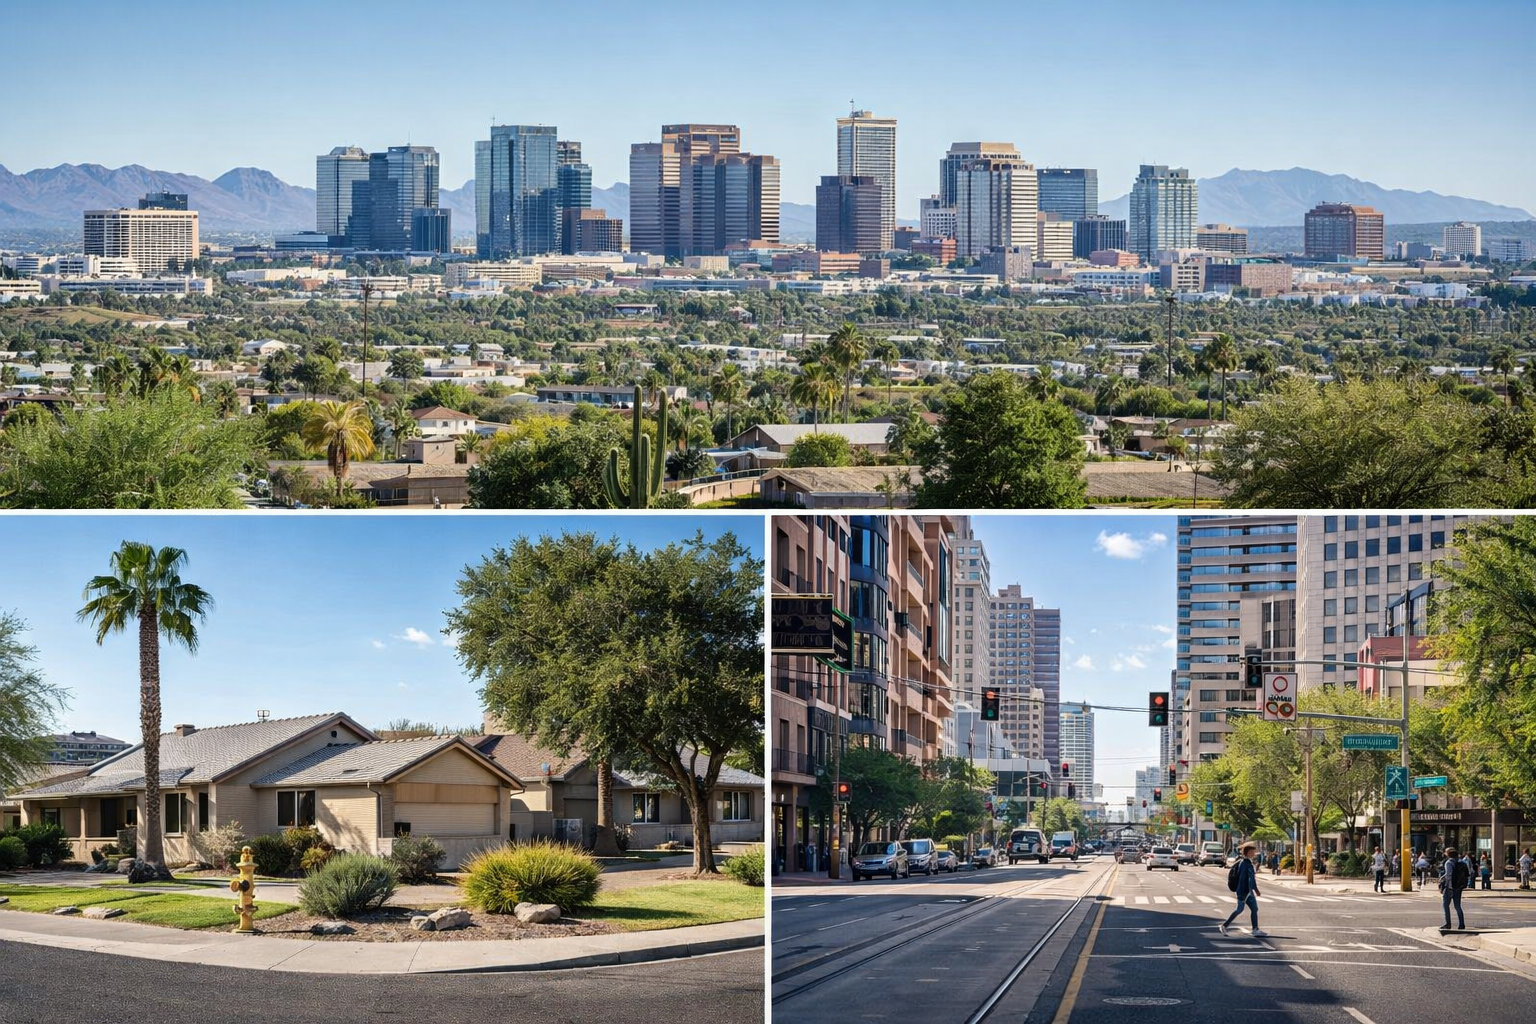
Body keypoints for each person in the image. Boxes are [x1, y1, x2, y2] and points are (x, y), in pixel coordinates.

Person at [1219, 841, 1267, 937]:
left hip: (1248, 891)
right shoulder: (1245, 863)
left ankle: (1255, 929)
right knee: (1239, 909)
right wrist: (1250, 890)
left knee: (1254, 909)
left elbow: (1251, 879)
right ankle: (1224, 926)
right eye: (1253, 852)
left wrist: (1253, 890)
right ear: (1248, 853)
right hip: (1244, 891)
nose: (1254, 854)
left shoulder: (1247, 863)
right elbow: (1244, 879)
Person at [1440, 845, 1469, 932]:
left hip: (1450, 887)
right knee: (1457, 906)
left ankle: (1448, 924)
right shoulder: (1461, 862)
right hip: (1458, 887)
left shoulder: (1449, 863)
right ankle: (1461, 924)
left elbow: (1449, 875)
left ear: (1448, 854)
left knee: (1445, 905)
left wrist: (1448, 887)